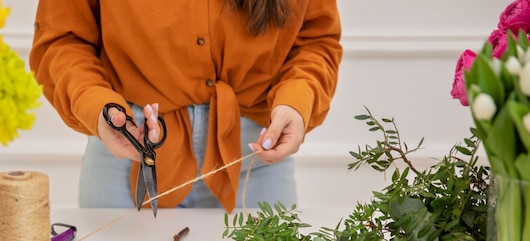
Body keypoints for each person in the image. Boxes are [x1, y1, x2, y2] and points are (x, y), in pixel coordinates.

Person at [29, 0, 342, 212]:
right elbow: (62, 39)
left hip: (255, 157)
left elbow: (315, 41)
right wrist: (98, 108)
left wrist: (297, 101)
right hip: (127, 147)